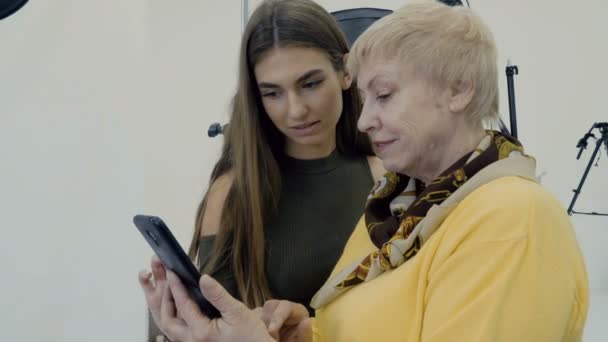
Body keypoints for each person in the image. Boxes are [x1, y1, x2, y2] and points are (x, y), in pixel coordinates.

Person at [147, 1, 590, 341]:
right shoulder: (397, 205)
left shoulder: (511, 221)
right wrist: (308, 332)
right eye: (366, 96)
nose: (362, 120)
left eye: (384, 95)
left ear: (458, 90)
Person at [138, 0, 385, 340]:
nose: (296, 110)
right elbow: (214, 326)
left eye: (310, 83)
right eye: (273, 93)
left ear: (345, 72)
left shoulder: (383, 178)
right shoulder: (232, 193)